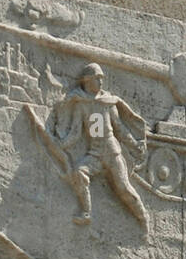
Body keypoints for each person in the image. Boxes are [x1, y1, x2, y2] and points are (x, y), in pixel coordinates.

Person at [50, 62, 149, 229]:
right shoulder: (81, 104)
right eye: (98, 79)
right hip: (95, 153)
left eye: (102, 79)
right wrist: (61, 144)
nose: (101, 82)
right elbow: (75, 132)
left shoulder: (107, 102)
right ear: (87, 81)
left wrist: (133, 144)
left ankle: (143, 218)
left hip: (112, 152)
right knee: (79, 173)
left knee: (123, 188)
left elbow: (119, 128)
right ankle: (86, 213)